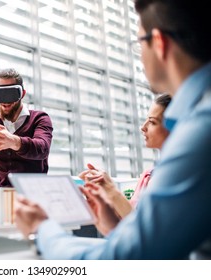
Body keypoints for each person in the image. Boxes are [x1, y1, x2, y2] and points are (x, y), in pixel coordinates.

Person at [14, 0, 211, 259]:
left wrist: (43, 229)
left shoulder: (200, 132)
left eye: (139, 43)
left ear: (159, 42)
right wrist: (117, 228)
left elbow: (125, 260)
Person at [79, 93, 171, 219]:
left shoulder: (176, 176)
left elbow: (145, 230)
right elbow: (130, 222)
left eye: (152, 122)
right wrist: (104, 193)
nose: (143, 127)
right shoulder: (149, 175)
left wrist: (111, 190)